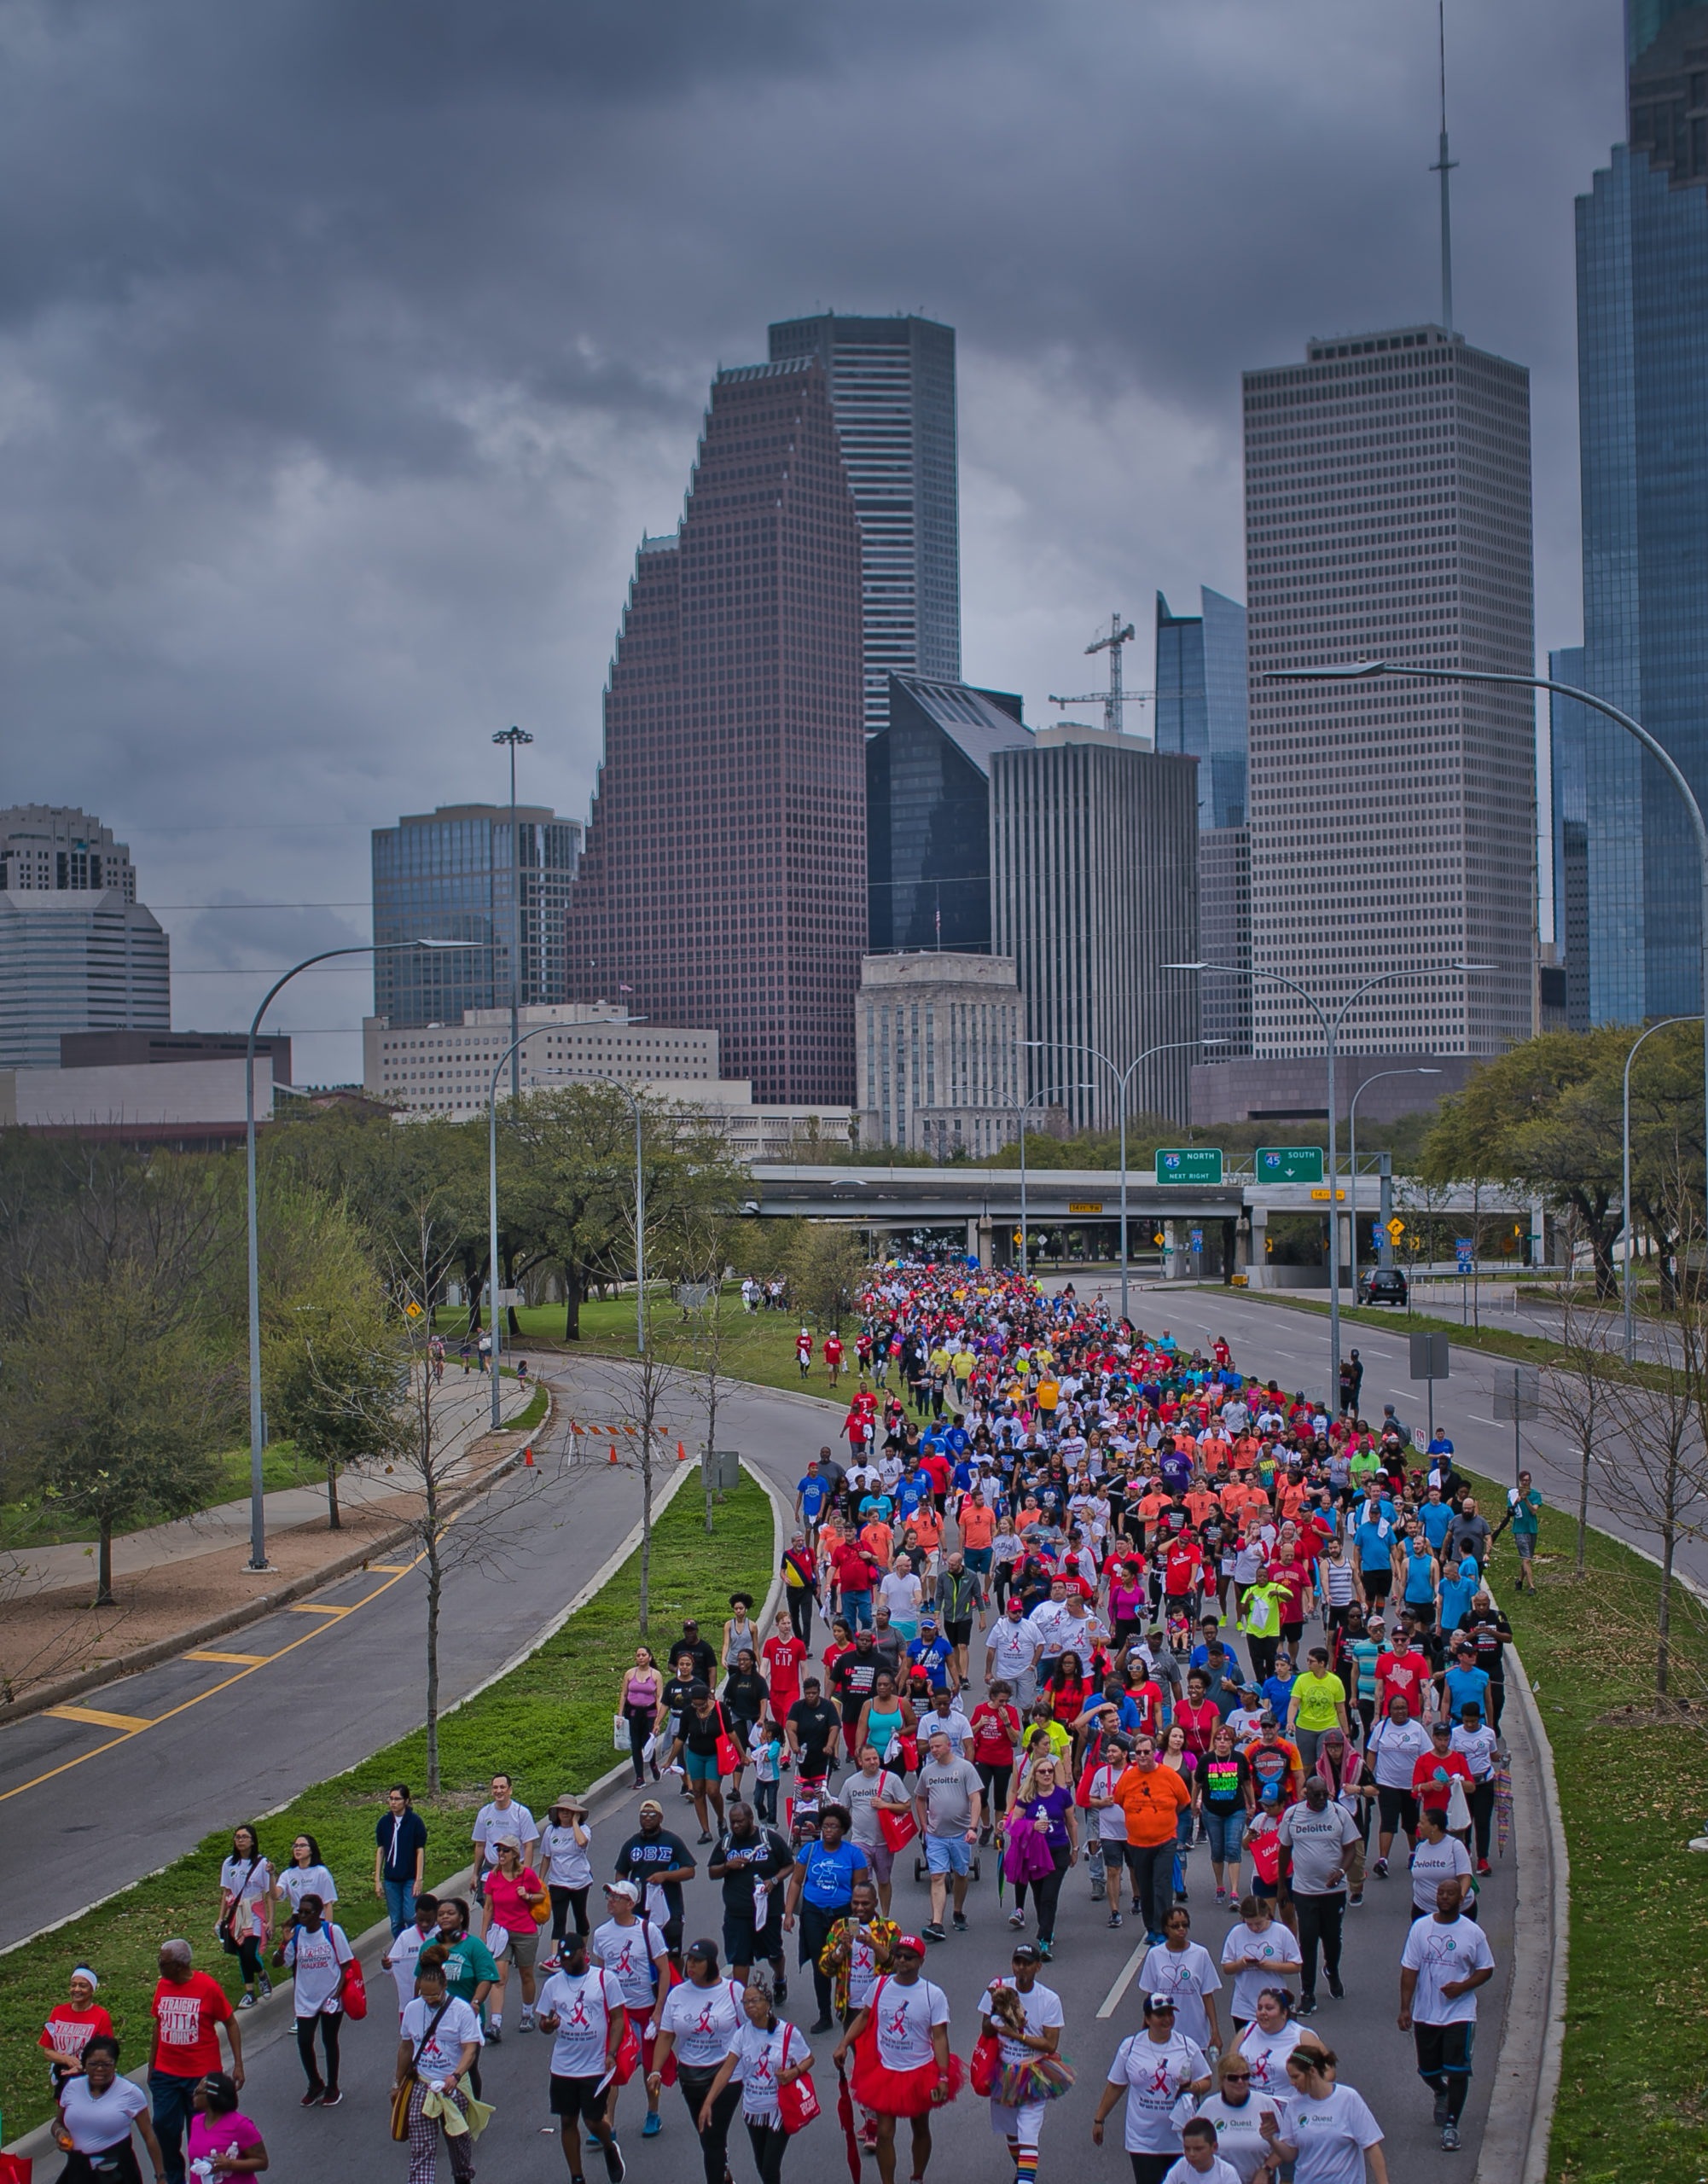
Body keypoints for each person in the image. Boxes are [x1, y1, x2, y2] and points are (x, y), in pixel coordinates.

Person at [833, 1934, 960, 2184]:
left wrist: (943, 2076)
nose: (902, 1961)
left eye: (908, 1957)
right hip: (885, 2072)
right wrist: (843, 2044)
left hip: (920, 2073)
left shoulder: (933, 1995)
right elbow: (864, 2018)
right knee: (884, 2132)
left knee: (920, 2127)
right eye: (899, 1955)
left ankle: (917, 2177)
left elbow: (940, 2038)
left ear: (920, 1961)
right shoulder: (880, 1986)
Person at [1398, 1877, 1497, 2152]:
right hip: (1426, 2013)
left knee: (1458, 2070)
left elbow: (1486, 1968)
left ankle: (1452, 2125)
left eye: (1450, 1893)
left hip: (1460, 2013)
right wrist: (1405, 2007)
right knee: (1427, 2069)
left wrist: (1463, 1987)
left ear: (1461, 1899)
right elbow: (1409, 1970)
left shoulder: (1472, 1932)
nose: (1443, 1897)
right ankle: (1440, 2091)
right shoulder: (1421, 1928)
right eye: (1440, 1893)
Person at [647, 1937, 746, 2181]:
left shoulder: (733, 1991)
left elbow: (750, 2031)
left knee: (712, 2135)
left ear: (711, 1964)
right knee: (707, 2136)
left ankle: (717, 2175)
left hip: (726, 2075)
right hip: (691, 2077)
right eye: (689, 1960)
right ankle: (724, 2173)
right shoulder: (678, 1994)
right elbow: (667, 2035)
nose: (690, 1965)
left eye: (698, 1962)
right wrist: (656, 2070)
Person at [700, 1979, 816, 2184]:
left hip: (779, 2110)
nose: (750, 2006)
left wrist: (794, 2072)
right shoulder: (742, 2034)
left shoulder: (788, 2033)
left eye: (755, 2000)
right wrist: (708, 2102)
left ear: (768, 2004)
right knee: (762, 2164)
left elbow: (808, 2058)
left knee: (770, 2167)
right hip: (753, 2111)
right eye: (745, 2002)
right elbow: (727, 2069)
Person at [148, 1941, 244, 2184]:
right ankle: (173, 2177)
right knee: (162, 2126)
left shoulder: (207, 1987)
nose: (159, 1967)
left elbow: (231, 2022)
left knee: (200, 2135)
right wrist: (152, 2066)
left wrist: (238, 2064)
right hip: (165, 2074)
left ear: (179, 1965)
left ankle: (201, 2178)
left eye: (163, 1963)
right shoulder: (162, 1986)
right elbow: (158, 2025)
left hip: (200, 2078)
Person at [1091, 1993, 1211, 2184]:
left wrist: (1193, 2088)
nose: (1167, 2020)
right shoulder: (1130, 2046)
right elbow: (1116, 2086)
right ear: (1147, 2018)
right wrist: (1099, 2119)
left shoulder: (1187, 2047)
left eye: (1170, 2014)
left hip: (1179, 2139)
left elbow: (1206, 2080)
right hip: (1142, 2140)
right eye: (1160, 2015)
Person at [536, 1936, 626, 2184]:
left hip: (595, 2064)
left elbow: (618, 2018)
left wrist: (612, 2052)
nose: (565, 1963)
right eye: (562, 1959)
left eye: (570, 1958)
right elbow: (543, 2022)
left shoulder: (604, 1979)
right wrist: (548, 2025)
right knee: (567, 2120)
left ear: (582, 1953)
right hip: (563, 2065)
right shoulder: (554, 1984)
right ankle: (577, 2177)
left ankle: (609, 2147)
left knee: (594, 2121)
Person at [979, 1941, 1066, 2184]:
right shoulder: (999, 1989)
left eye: (1027, 1964)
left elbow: (1050, 2045)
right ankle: (1022, 2170)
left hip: (1034, 2074)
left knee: (1029, 2132)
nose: (1021, 1968)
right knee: (1012, 2132)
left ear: (1038, 1967)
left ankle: (1026, 2180)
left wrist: (1016, 2035)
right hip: (1003, 2073)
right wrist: (995, 2009)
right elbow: (986, 2031)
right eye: (1018, 1963)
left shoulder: (1049, 2000)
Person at [591, 1879, 671, 2135]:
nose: (610, 1901)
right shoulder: (602, 1934)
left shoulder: (648, 1931)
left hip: (645, 2010)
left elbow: (664, 1970)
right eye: (609, 1896)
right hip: (617, 2014)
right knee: (611, 2066)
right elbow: (600, 1973)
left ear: (631, 1903)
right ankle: (608, 2123)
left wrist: (659, 2010)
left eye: (617, 1897)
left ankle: (653, 2113)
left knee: (650, 2068)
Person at [783, 1802, 869, 2033]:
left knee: (847, 1960)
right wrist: (789, 1913)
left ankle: (847, 2008)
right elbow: (796, 1882)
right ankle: (824, 2014)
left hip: (844, 1914)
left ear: (843, 1829)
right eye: (825, 1826)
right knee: (821, 1963)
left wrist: (859, 1919)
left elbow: (861, 1889)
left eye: (834, 1826)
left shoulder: (854, 1854)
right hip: (813, 1913)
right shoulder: (809, 1851)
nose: (829, 1830)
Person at [1278, 1779, 1357, 2016]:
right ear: (1306, 1795)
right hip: (1304, 1890)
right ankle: (1307, 1993)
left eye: (1325, 1794)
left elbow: (1351, 1848)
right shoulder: (1292, 1815)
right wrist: (1282, 1885)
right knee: (1309, 1939)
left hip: (1334, 1891)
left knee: (1332, 1938)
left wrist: (1341, 1871)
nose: (1322, 1799)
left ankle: (1332, 1970)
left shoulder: (1339, 1814)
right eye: (1317, 1795)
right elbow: (1284, 1849)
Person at [1256, 2047, 1388, 2184]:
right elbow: (1290, 2154)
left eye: (1296, 2077)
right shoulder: (1294, 2104)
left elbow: (1371, 2147)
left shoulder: (1348, 2099)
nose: (1292, 2083)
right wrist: (1271, 2140)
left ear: (1312, 2071)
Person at [53, 2035, 167, 2184]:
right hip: (78, 2170)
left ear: (115, 2064)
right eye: (93, 2064)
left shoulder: (130, 2093)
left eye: (106, 2064)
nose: (99, 2069)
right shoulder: (72, 2087)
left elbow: (149, 2136)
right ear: (84, 2064)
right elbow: (57, 2123)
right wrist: (60, 2133)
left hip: (116, 2172)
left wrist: (160, 2176)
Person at [708, 1800, 793, 1989]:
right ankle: (740, 2000)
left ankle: (779, 1979)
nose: (736, 1826)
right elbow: (712, 1872)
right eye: (733, 1822)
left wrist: (774, 1880)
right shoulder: (727, 1844)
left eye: (740, 1821)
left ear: (750, 1819)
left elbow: (789, 1864)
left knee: (774, 1954)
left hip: (767, 1911)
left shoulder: (769, 1840)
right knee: (740, 1959)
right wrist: (726, 1866)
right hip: (737, 1912)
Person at [1113, 1737, 1192, 1943]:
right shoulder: (1128, 1778)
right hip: (1138, 1843)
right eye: (1138, 1753)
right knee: (1145, 1887)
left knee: (1161, 1885)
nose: (1142, 1756)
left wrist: (1165, 1818)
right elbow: (1119, 1800)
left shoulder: (1168, 1775)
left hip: (1165, 1841)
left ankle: (1162, 1929)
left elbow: (1184, 1801)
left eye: (1146, 1752)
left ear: (1154, 1752)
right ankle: (1150, 1927)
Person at [913, 1728, 985, 1943]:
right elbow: (919, 1798)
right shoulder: (928, 1772)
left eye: (937, 1747)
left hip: (961, 1833)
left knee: (961, 1874)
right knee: (937, 1876)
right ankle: (936, 1923)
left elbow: (975, 1799)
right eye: (931, 1747)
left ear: (948, 1746)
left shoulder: (965, 1768)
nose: (933, 1750)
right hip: (936, 1835)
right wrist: (924, 1825)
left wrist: (973, 1827)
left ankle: (958, 1910)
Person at [284, 1892, 351, 2107]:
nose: (302, 1916)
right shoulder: (297, 1935)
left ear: (318, 1913)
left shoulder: (332, 1932)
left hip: (331, 1995)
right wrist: (284, 1942)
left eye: (307, 1912)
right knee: (304, 2041)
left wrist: (337, 1993)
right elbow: (281, 1963)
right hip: (305, 1997)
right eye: (300, 1912)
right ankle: (315, 2083)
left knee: (329, 2040)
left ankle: (333, 2086)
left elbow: (346, 1964)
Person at [613, 1801, 696, 1960]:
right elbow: (621, 1873)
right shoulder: (632, 1844)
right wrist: (625, 1893)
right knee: (640, 1953)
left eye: (652, 1815)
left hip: (670, 1908)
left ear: (660, 1818)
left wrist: (665, 1876)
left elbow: (690, 1870)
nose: (648, 1818)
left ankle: (676, 1984)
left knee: (672, 1954)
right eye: (644, 1815)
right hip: (639, 1910)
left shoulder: (672, 1841)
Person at [481, 1837, 547, 2039]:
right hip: (502, 1933)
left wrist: (527, 1896)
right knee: (499, 1978)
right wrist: (483, 1933)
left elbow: (541, 1895)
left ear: (515, 1855)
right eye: (499, 1850)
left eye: (505, 1851)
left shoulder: (525, 1874)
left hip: (525, 1932)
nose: (501, 1854)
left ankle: (527, 2014)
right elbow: (489, 1907)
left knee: (527, 1975)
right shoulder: (493, 1876)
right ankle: (495, 2023)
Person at [839, 1742, 913, 1916]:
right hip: (860, 1841)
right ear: (860, 1761)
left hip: (884, 1841)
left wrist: (885, 1805)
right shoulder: (851, 1783)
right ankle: (862, 1916)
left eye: (875, 1758)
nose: (873, 1762)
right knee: (861, 1882)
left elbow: (906, 1806)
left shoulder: (891, 1779)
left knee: (884, 1880)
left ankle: (885, 1916)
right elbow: (843, 1809)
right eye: (868, 1759)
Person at [1138, 1907, 1223, 2053]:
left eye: (1184, 1925)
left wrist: (1215, 2030)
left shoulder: (1200, 1954)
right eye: (1175, 1926)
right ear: (1165, 1928)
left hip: (1194, 2029)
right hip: (1165, 2028)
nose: (1181, 1929)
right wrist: (1145, 2028)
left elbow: (1207, 1995)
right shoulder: (1155, 1955)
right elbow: (1151, 1997)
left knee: (1194, 2074)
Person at [1367, 1696, 1432, 1876]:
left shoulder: (1417, 1729)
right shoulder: (1382, 1728)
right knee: (1388, 1821)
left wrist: (1425, 1781)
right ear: (1390, 1710)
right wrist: (1368, 1775)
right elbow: (1372, 1751)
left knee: (1411, 1823)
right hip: (1387, 1784)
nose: (1400, 1711)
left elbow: (1427, 1755)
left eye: (1403, 1708)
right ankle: (1383, 1860)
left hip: (1411, 1786)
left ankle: (1414, 1853)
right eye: (1396, 1708)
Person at [1229, 1987, 1325, 2103]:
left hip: (1288, 2105)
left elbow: (1328, 2070)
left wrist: (1308, 2089)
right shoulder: (1246, 2032)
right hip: (1250, 2104)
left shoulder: (1301, 2037)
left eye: (1269, 2008)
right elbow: (1228, 2068)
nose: (1263, 2012)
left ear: (1284, 2013)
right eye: (1260, 2008)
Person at [1190, 2054, 1272, 2184]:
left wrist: (1267, 2170)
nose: (1240, 2082)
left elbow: (1284, 2144)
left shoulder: (1265, 2104)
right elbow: (1192, 2145)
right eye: (1233, 2078)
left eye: (1245, 2077)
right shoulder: (1209, 2106)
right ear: (1222, 2080)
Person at [1197, 1726, 1255, 1904]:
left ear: (1232, 1742)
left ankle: (1234, 1891)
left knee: (1233, 1848)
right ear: (1214, 1742)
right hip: (1212, 1810)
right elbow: (1197, 1784)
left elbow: (1246, 1783)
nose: (1222, 1743)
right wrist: (1194, 1804)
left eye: (1227, 1740)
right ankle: (1220, 1885)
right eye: (1219, 1739)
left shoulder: (1239, 1759)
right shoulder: (1206, 1760)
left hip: (1235, 1810)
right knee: (1217, 1849)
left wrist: (1252, 1804)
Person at [218, 1828, 272, 2008]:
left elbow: (269, 1894)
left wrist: (270, 1920)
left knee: (250, 1951)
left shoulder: (262, 1864)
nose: (240, 1840)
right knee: (242, 1954)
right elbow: (226, 1892)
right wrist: (221, 1918)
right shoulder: (229, 1863)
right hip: (236, 1913)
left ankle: (262, 1975)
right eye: (237, 1837)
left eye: (244, 1837)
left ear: (253, 1841)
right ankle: (249, 1992)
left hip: (254, 1913)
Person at [40, 1967, 115, 2094]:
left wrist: (81, 2067)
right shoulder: (58, 2012)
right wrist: (66, 2060)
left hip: (89, 2080)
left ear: (92, 1989)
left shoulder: (101, 2016)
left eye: (83, 1986)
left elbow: (107, 2053)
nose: (77, 1990)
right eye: (73, 1985)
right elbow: (48, 2051)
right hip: (63, 2078)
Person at [539, 1797, 595, 1955]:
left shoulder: (583, 1830)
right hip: (558, 1882)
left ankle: (582, 1951)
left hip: (580, 1881)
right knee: (559, 1920)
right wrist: (540, 1880)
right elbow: (546, 1857)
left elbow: (581, 1843)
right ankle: (556, 1956)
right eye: (562, 1810)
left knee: (580, 1916)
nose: (564, 1813)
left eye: (569, 1811)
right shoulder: (550, 1831)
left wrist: (575, 1823)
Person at [185, 2073, 268, 2179]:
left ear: (211, 2095)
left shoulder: (240, 2125)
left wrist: (230, 2164)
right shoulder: (196, 2122)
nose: (193, 2094)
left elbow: (262, 2162)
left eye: (198, 2091)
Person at [375, 1786, 429, 1937]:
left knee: (411, 1916)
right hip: (391, 1880)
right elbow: (381, 1850)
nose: (393, 1802)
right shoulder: (384, 1823)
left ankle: (416, 1945)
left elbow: (420, 1851)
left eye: (397, 1799)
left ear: (406, 1801)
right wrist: (377, 1880)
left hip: (410, 1878)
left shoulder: (415, 1822)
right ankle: (401, 1949)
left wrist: (418, 1879)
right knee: (396, 1920)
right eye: (391, 1798)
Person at [1284, 1647, 1349, 1770]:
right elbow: (1294, 1704)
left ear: (1322, 1663)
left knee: (1324, 1763)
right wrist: (1290, 1722)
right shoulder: (1302, 1679)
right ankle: (1307, 1787)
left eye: (1311, 1661)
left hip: (1328, 1727)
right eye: (1308, 1660)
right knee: (1306, 1764)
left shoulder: (1335, 1682)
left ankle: (1325, 1788)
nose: (1308, 1663)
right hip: (1305, 1728)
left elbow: (1341, 1709)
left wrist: (1346, 1732)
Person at [1408, 1804, 1475, 1920]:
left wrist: (1461, 1897)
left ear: (1434, 1827)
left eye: (1422, 1823)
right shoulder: (1420, 1848)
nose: (1418, 1826)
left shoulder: (1455, 1846)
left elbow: (1465, 1877)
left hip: (1456, 1911)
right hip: (1423, 1908)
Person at [383, 1896, 441, 2025]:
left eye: (429, 1920)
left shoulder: (442, 1935)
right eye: (420, 1920)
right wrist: (387, 1966)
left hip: (439, 2004)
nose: (424, 1924)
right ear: (415, 1916)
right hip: (409, 2003)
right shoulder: (405, 1937)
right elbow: (392, 1968)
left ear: (436, 1916)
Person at [618, 1648, 665, 1791]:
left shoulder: (655, 1675)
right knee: (636, 1746)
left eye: (643, 1655)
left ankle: (653, 1765)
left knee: (648, 1744)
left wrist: (658, 1720)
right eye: (638, 1655)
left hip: (650, 1714)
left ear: (650, 1657)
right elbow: (624, 1695)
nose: (641, 1658)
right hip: (633, 1714)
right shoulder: (629, 1674)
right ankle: (640, 1777)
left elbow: (659, 1697)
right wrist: (620, 1716)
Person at [1163, 2118, 1242, 2184]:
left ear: (1214, 2147)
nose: (1192, 2154)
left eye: (1198, 2149)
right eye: (1187, 2148)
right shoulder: (1181, 2166)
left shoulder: (1227, 2173)